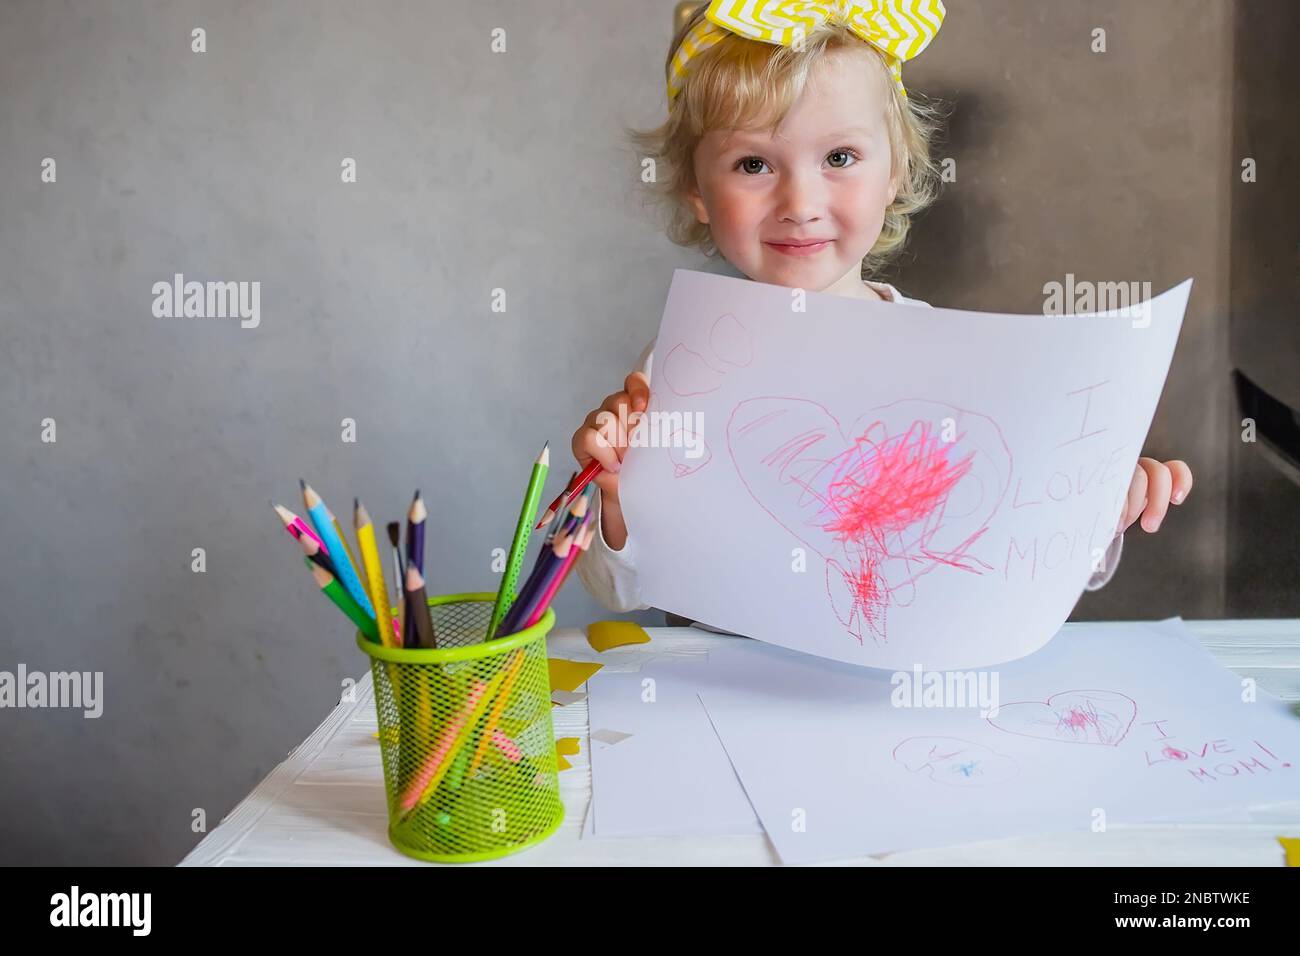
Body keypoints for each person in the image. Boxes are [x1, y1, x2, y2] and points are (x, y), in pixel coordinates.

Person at [572, 1, 1192, 627]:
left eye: (839, 157)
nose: (801, 202)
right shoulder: (678, 366)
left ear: (895, 169)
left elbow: (1005, 551)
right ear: (697, 192)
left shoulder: (946, 359)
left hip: (888, 701)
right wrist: (619, 491)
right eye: (754, 164)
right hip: (724, 692)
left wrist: (1097, 499)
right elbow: (617, 589)